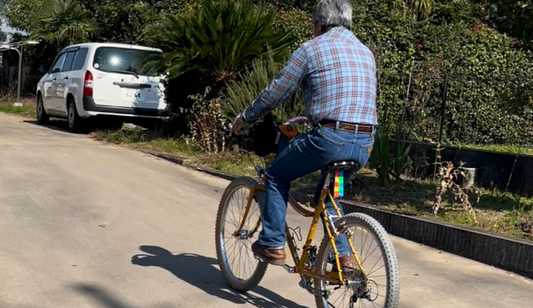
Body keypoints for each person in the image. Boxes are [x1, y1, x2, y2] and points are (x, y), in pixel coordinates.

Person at [232, 0, 377, 270]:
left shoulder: (311, 49)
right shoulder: (365, 52)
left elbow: (276, 92)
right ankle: (344, 258)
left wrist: (245, 118)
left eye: (313, 25)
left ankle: (272, 242)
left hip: (329, 142)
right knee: (332, 195)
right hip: (364, 147)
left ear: (319, 24)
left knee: (276, 174)